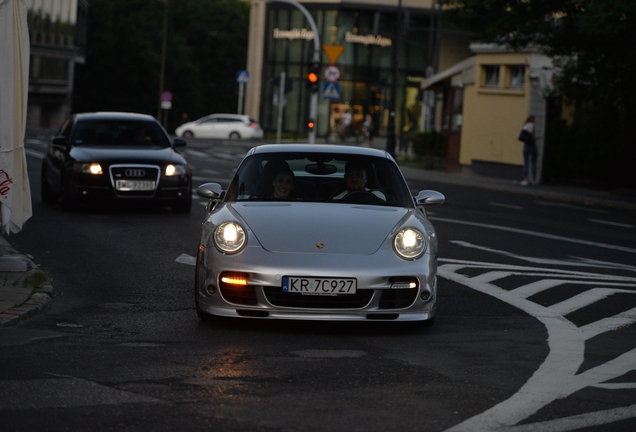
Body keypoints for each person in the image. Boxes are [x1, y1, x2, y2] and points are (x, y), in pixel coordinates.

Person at [520, 115, 537, 186]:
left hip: (526, 146)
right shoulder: (532, 125)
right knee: (533, 163)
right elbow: (532, 135)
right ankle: (533, 180)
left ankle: (526, 179)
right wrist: (534, 139)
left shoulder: (525, 126)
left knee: (526, 163)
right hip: (532, 146)